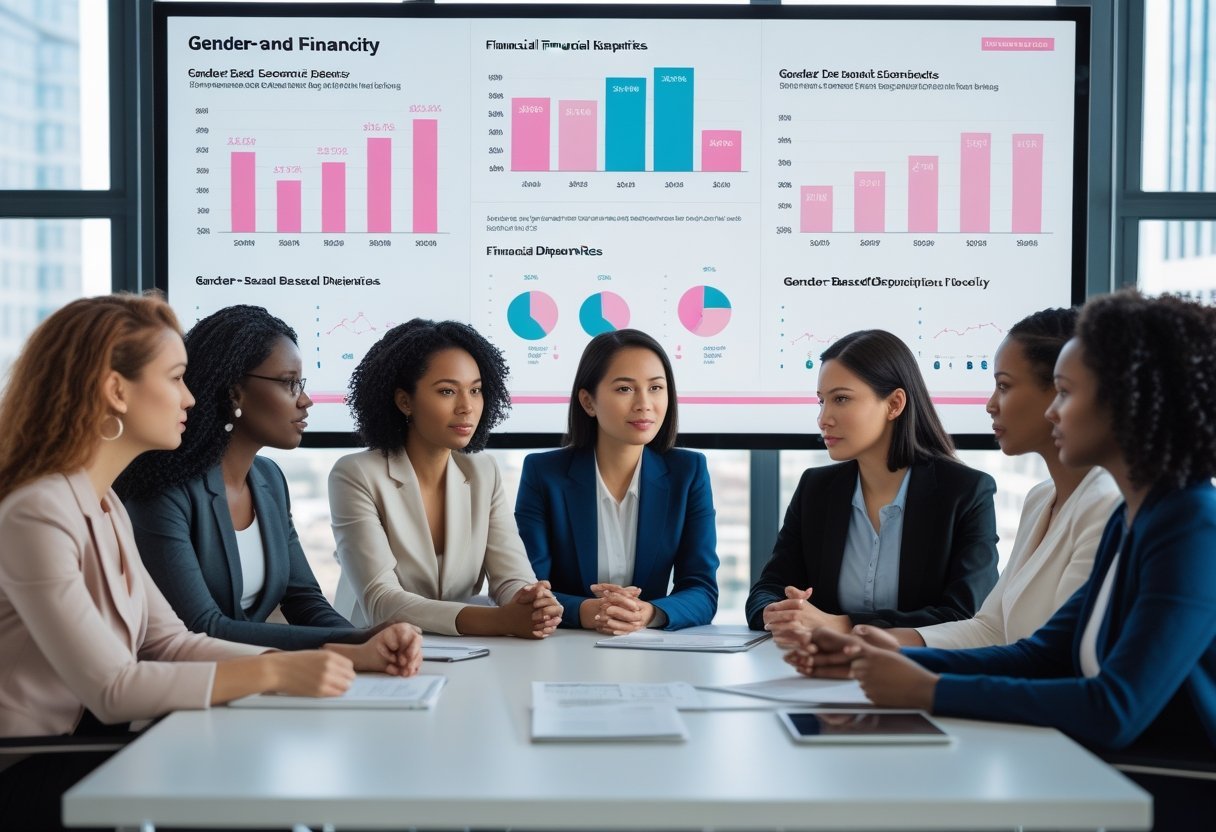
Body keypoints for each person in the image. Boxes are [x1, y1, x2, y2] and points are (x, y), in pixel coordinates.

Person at [792, 292, 1216, 830]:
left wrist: (929, 689)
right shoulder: (1134, 519)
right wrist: (869, 657)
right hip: (1094, 780)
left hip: (1162, 796)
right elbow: (1040, 654)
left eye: (1065, 393)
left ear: (1128, 400)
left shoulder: (1191, 524)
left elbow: (1116, 708)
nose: (1054, 411)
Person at [0, 295, 359, 828]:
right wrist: (278, 670)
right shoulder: (37, 511)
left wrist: (323, 660)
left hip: (98, 746)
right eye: (175, 379)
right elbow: (114, 687)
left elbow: (169, 643)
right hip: (36, 763)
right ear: (116, 391)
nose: (191, 397)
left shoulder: (104, 502)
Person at [116, 305, 423, 670]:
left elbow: (303, 598)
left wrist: (376, 641)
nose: (305, 400)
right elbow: (202, 627)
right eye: (289, 382)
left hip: (249, 685)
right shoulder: (165, 489)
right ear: (234, 394)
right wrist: (355, 641)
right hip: (176, 695)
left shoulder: (269, 480)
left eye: (302, 384)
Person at [880, 308, 1121, 648]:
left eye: (1004, 386)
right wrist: (872, 642)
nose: (991, 405)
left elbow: (1061, 659)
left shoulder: (1107, 505)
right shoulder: (1041, 498)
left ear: (1062, 391)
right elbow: (991, 629)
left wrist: (920, 680)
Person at [745, 329, 999, 638]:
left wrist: (842, 624)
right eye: (821, 401)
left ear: (894, 404)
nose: (823, 418)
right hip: (817, 669)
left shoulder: (966, 493)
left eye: (841, 399)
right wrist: (778, 612)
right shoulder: (816, 488)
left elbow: (964, 615)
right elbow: (768, 588)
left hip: (916, 675)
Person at [330, 319, 562, 637]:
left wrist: (532, 602)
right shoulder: (355, 474)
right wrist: (501, 621)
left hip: (463, 652)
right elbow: (381, 601)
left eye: (476, 390)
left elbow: (511, 577)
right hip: (374, 649)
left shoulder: (483, 472)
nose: (467, 407)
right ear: (405, 401)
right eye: (447, 391)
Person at [515, 329, 718, 633]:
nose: (644, 404)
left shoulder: (688, 471)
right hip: (564, 648)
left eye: (656, 388)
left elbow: (702, 590)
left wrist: (647, 612)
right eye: (625, 389)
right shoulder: (543, 473)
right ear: (588, 402)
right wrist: (588, 611)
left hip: (652, 652)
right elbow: (526, 588)